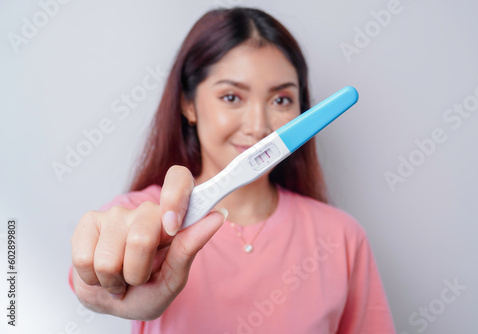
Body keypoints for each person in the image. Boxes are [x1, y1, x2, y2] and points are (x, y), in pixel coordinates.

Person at [69, 7, 396, 334]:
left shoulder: (342, 238)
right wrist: (105, 287)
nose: (258, 126)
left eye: (281, 100)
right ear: (189, 104)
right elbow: (89, 281)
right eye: (231, 96)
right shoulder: (144, 218)